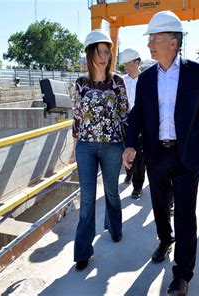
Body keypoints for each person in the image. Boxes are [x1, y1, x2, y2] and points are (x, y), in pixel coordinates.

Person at [122, 11, 199, 295]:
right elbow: (137, 114)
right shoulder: (147, 78)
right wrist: (130, 143)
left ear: (173, 42)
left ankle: (182, 275)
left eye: (154, 39)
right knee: (160, 206)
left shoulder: (197, 72)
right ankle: (164, 239)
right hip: (157, 154)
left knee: (185, 214)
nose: (149, 44)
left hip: (187, 155)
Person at [69, 29, 129, 271]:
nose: (103, 57)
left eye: (107, 52)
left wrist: (129, 148)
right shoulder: (80, 84)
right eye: (99, 52)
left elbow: (125, 116)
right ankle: (83, 250)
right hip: (86, 146)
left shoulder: (118, 82)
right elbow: (76, 118)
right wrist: (73, 149)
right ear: (90, 53)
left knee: (112, 192)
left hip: (113, 145)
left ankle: (114, 228)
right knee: (87, 200)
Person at [119, 48, 145, 199]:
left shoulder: (146, 79)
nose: (126, 67)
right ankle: (129, 172)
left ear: (137, 62)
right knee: (126, 150)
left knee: (140, 155)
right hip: (125, 121)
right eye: (125, 64)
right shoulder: (121, 81)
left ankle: (138, 186)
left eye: (128, 63)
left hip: (142, 122)